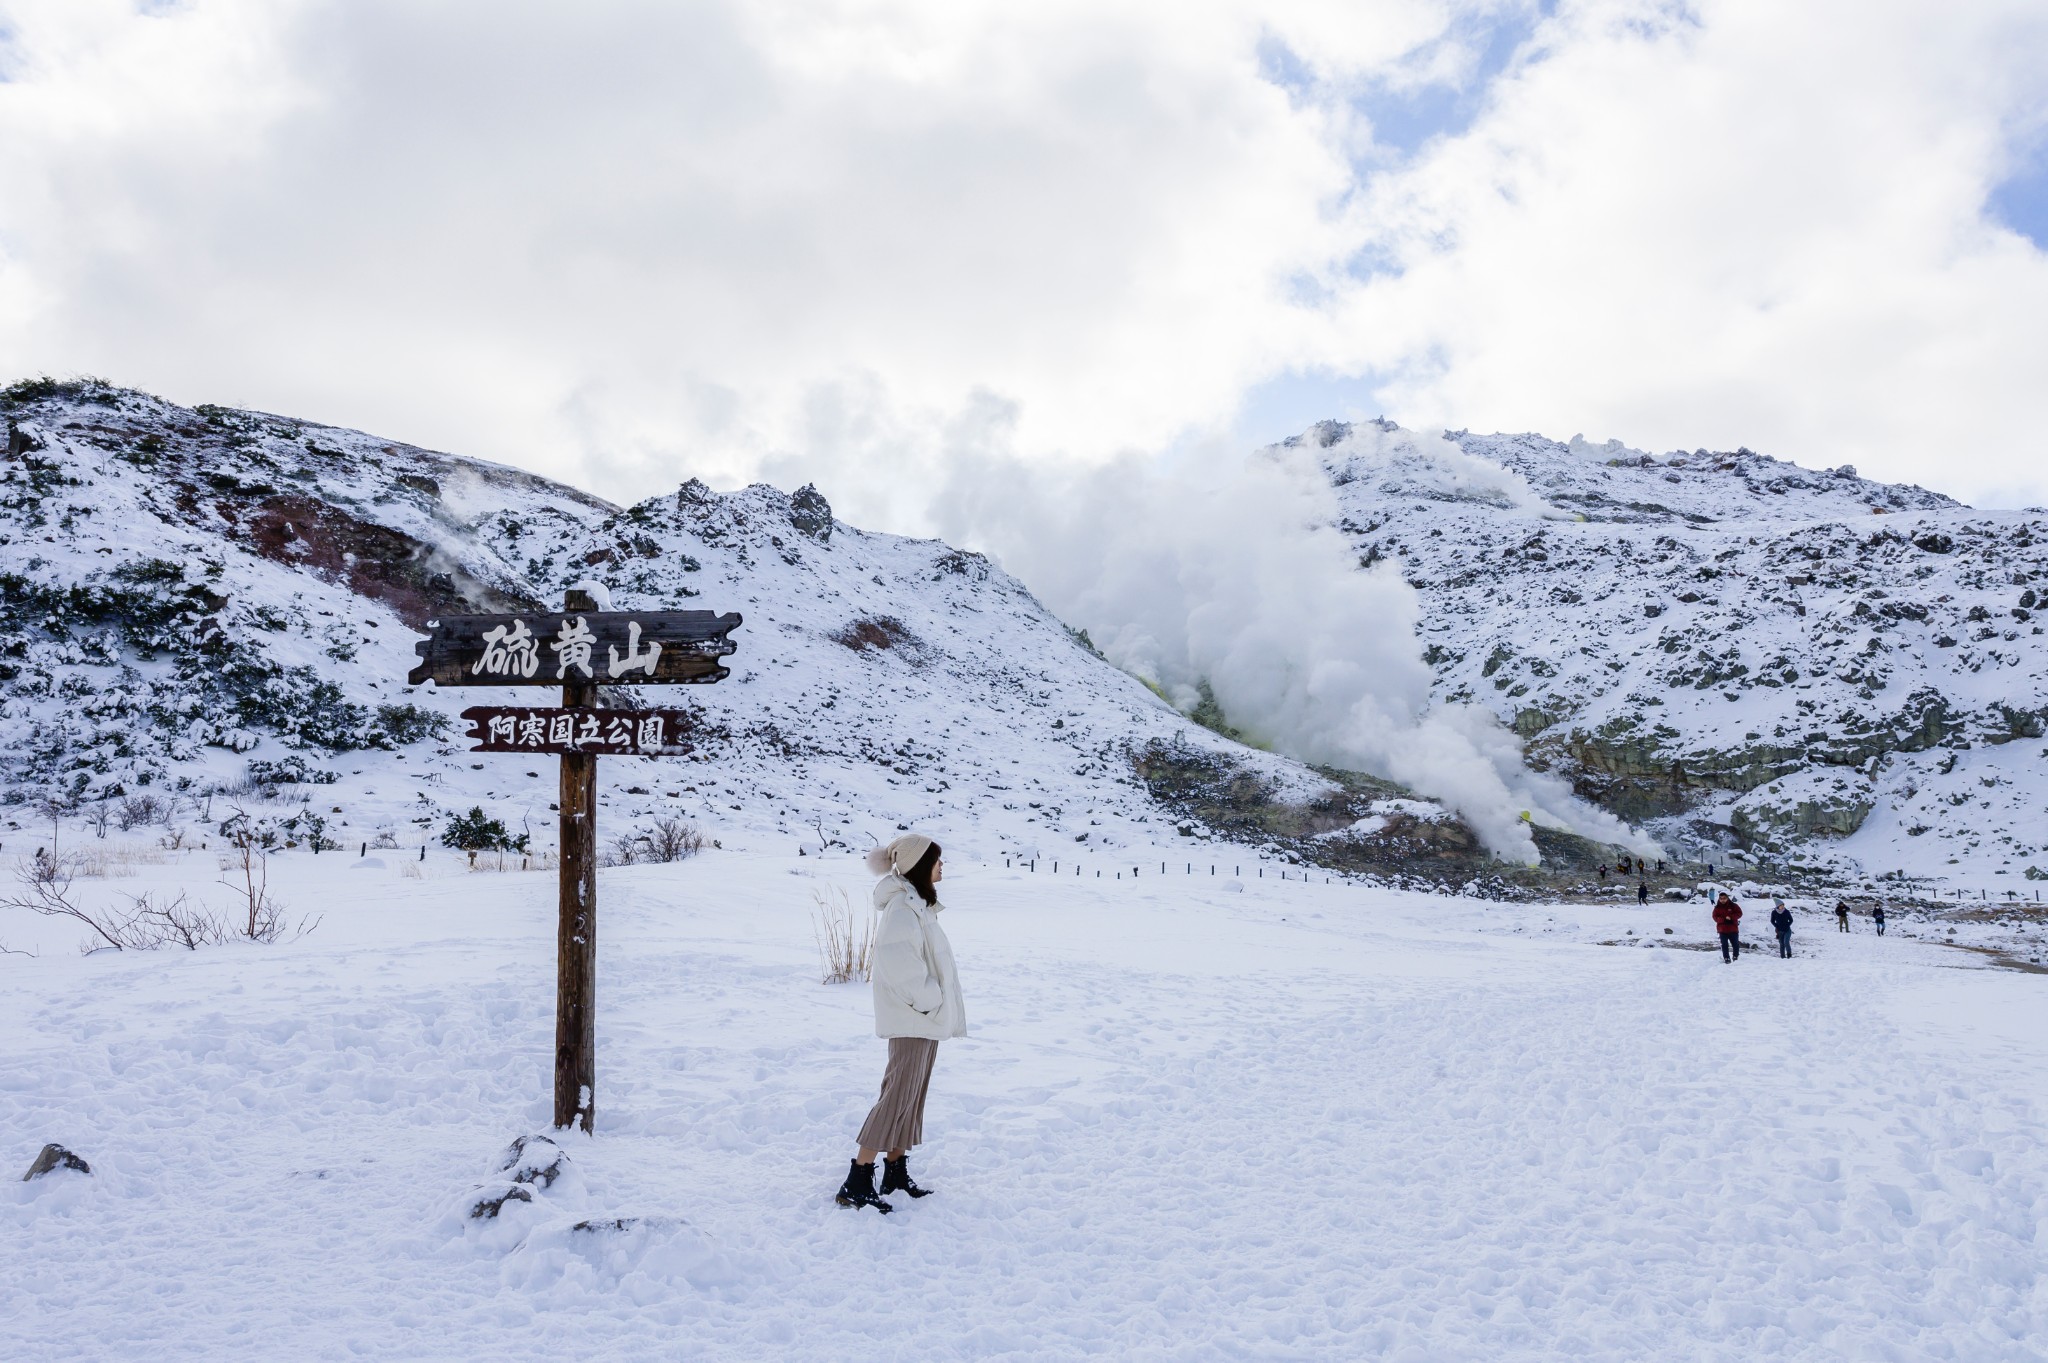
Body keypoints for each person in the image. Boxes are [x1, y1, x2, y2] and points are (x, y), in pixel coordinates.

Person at [834, 834, 967, 1214]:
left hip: (924, 1019)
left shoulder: (918, 906)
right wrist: (932, 1001)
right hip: (913, 1018)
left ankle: (894, 1169)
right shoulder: (902, 910)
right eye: (937, 860)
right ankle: (858, 1179)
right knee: (896, 1097)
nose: (943, 866)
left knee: (911, 1097)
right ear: (919, 865)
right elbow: (900, 967)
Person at [1712, 892, 1743, 963]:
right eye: (1721, 899)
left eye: (1724, 898)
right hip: (1722, 930)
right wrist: (1722, 919)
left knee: (1735, 944)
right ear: (1719, 899)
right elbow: (1714, 917)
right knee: (1724, 945)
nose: (1723, 900)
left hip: (1733, 929)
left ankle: (1735, 956)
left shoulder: (1733, 906)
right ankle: (1726, 958)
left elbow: (1740, 913)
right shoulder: (1717, 908)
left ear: (1727, 898)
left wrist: (1731, 917)